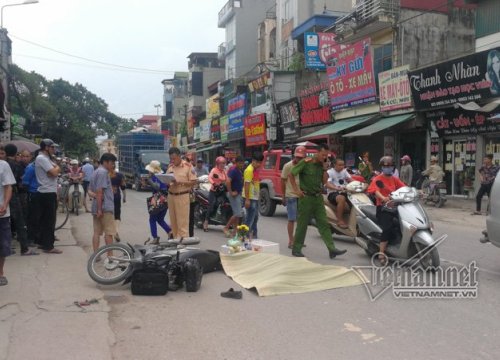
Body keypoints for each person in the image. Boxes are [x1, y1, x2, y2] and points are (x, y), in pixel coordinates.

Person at [289, 144, 347, 259]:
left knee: (324, 224)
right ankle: (296, 249)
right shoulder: (306, 162)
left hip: (318, 198)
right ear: (317, 153)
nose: (324, 157)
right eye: (323, 155)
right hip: (306, 198)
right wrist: (297, 190)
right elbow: (291, 174)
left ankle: (332, 249)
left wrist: (325, 168)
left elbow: (325, 181)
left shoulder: (322, 165)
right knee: (302, 224)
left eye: (326, 155)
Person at [367, 156, 406, 265]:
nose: (387, 168)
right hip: (383, 208)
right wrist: (383, 198)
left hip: (395, 207)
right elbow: (375, 191)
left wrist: (417, 191)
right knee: (388, 227)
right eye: (385, 166)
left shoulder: (394, 179)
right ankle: (381, 253)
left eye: (389, 166)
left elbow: (404, 188)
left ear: (393, 167)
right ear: (382, 167)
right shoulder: (378, 178)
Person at [4, 144, 35, 256]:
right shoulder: (15, 166)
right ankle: (24, 248)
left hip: (4, 196)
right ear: (17, 153)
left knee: (6, 222)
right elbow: (21, 182)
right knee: (20, 222)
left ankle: (6, 247)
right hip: (14, 195)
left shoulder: (5, 164)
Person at [34, 139, 62, 254]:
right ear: (46, 147)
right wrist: (55, 170)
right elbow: (55, 172)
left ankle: (43, 242)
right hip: (46, 192)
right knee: (49, 221)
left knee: (46, 220)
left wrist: (55, 170)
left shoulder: (47, 159)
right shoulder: (41, 158)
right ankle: (48, 246)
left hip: (49, 191)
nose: (53, 149)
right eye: (52, 147)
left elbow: (55, 170)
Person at [166, 147, 197, 239]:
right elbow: (167, 179)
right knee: (173, 220)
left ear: (179, 156)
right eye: (171, 158)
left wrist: (180, 183)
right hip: (171, 195)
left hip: (182, 195)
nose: (172, 160)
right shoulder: (170, 167)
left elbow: (193, 182)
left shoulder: (188, 166)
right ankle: (176, 239)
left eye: (174, 158)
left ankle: (183, 240)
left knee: (182, 220)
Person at [89, 153, 117, 253]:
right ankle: (110, 257)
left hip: (97, 206)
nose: (113, 165)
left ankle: (95, 255)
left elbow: (90, 191)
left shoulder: (95, 172)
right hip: (104, 208)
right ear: (105, 162)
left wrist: (97, 203)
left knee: (96, 232)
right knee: (109, 233)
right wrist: (100, 209)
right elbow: (100, 191)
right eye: (112, 163)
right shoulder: (103, 173)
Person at [281, 146, 306, 249]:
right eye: (297, 157)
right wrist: (283, 196)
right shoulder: (288, 166)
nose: (298, 159)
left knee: (302, 220)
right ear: (294, 156)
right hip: (291, 195)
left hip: (303, 195)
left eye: (301, 158)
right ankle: (291, 241)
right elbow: (283, 180)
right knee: (291, 219)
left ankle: (297, 240)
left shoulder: (305, 166)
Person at [145, 160, 172, 244]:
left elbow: (157, 188)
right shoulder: (163, 176)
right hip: (166, 200)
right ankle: (170, 232)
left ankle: (155, 237)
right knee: (160, 219)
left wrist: (149, 181)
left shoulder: (154, 178)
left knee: (152, 219)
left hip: (158, 200)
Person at [0, 158, 17, 286]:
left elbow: (8, 187)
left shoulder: (3, 165)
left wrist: (5, 204)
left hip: (2, 213)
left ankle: (0, 273)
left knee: (3, 246)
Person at [326, 158, 352, 229]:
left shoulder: (344, 171)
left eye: (343, 165)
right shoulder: (329, 172)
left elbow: (351, 179)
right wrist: (336, 188)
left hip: (345, 192)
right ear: (334, 165)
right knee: (341, 198)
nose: (342, 166)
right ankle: (340, 220)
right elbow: (328, 184)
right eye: (340, 165)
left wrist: (360, 184)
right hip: (333, 193)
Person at [243, 152, 264, 240]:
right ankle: (245, 235)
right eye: (257, 162)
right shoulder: (249, 170)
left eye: (260, 162)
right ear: (253, 161)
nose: (259, 164)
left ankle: (254, 234)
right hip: (250, 197)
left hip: (254, 197)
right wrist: (247, 199)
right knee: (250, 218)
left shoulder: (255, 169)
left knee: (255, 217)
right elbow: (246, 184)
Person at [223, 156, 245, 238]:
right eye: (240, 163)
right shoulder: (233, 170)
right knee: (238, 213)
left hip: (238, 194)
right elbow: (228, 181)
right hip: (234, 195)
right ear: (236, 163)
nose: (241, 164)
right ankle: (226, 228)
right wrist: (231, 192)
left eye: (242, 163)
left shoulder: (239, 170)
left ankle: (235, 231)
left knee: (237, 214)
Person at [204, 156, 227, 232]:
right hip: (214, 191)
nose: (223, 165)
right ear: (217, 164)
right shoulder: (214, 170)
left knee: (225, 203)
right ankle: (206, 222)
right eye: (221, 163)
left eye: (224, 163)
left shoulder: (224, 171)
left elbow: (227, 179)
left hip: (222, 191)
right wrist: (214, 183)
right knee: (211, 206)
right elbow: (209, 178)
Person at [22, 156, 40, 248]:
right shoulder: (31, 168)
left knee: (38, 217)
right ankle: (30, 239)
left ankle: (37, 237)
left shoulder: (39, 167)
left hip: (39, 194)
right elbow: (25, 183)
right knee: (32, 218)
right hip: (33, 194)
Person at [110, 163, 126, 241]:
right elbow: (123, 187)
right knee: (117, 215)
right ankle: (116, 231)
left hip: (107, 198)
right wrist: (124, 197)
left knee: (109, 215)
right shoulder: (120, 175)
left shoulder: (106, 175)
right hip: (116, 197)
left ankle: (110, 232)